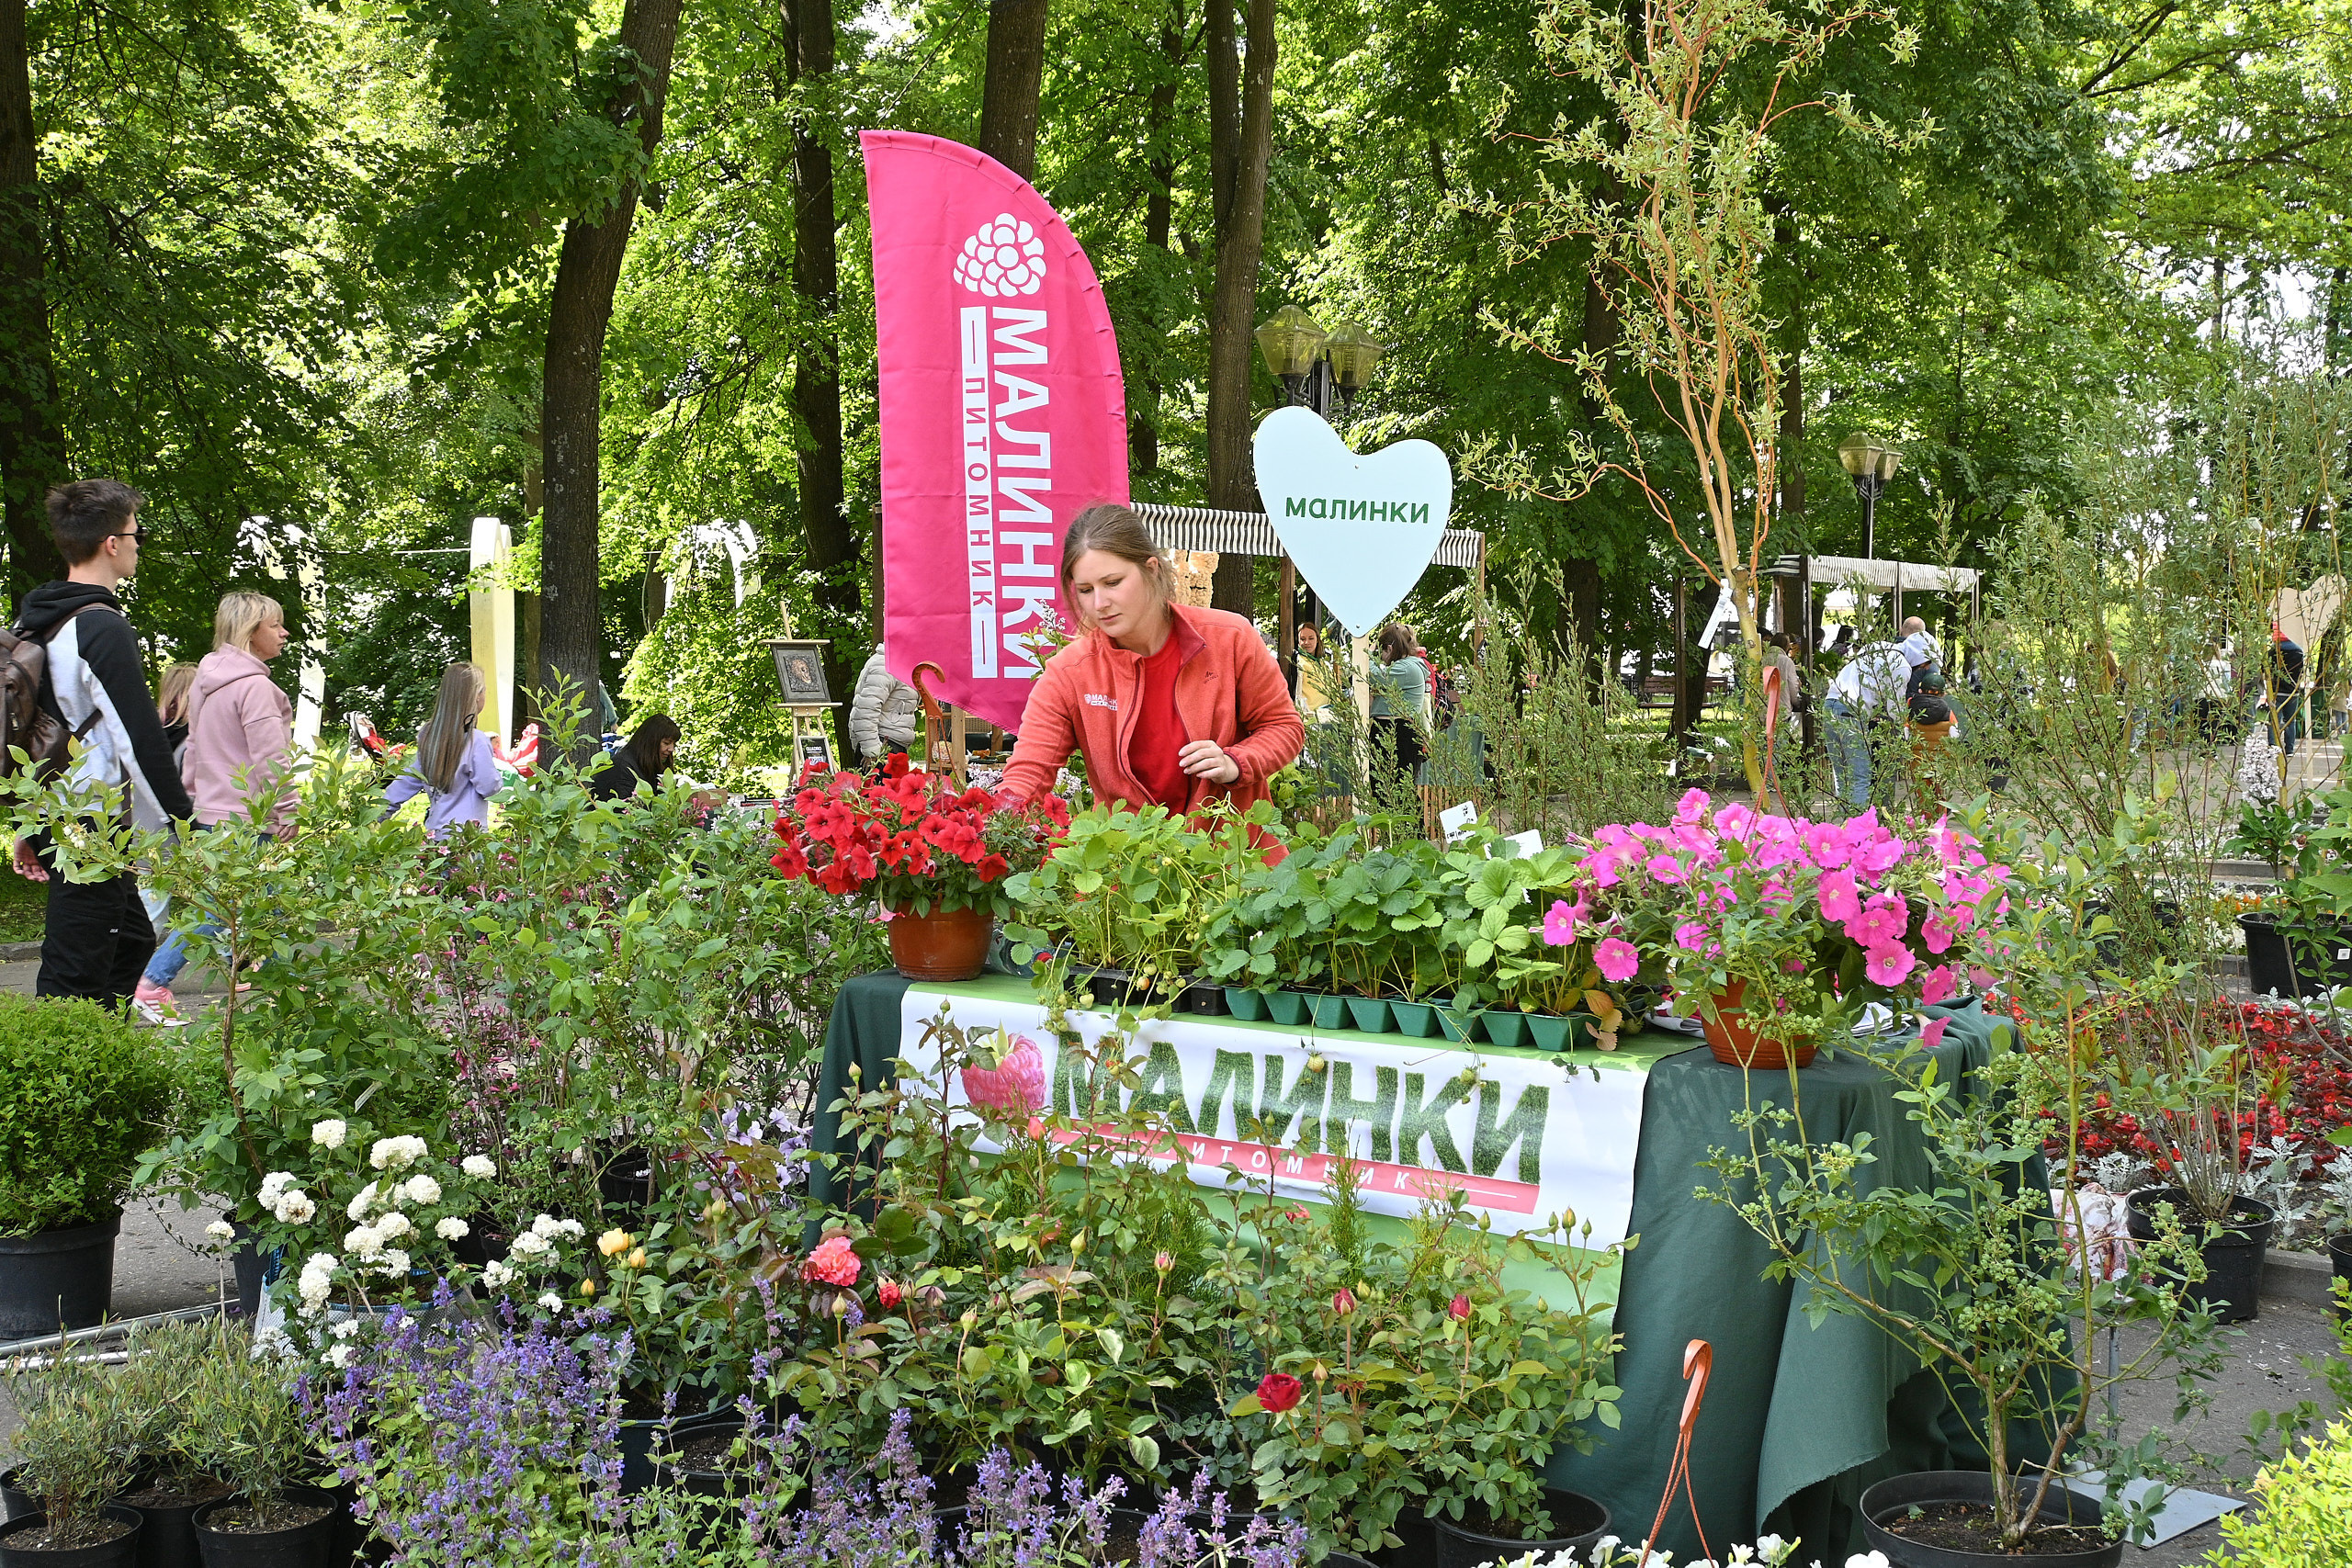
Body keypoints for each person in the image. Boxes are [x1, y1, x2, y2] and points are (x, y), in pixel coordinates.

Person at [9, 479, 195, 1009]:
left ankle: (106, 1052)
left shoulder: (35, 619)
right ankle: (60, 1072)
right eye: (136, 534)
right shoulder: (99, 626)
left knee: (131, 937)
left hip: (58, 810)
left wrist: (31, 825)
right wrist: (187, 827)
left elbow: (29, 733)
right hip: (90, 820)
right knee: (75, 968)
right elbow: (138, 740)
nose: (139, 544)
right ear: (112, 543)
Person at [1001, 503, 1303, 826]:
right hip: (1130, 864)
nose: (1099, 604)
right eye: (1086, 590)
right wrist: (988, 822)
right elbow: (1028, 773)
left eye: (1113, 582)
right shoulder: (1069, 673)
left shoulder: (1230, 638)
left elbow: (1284, 727)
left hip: (1236, 861)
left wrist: (1235, 762)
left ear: (1151, 569)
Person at [134, 592, 296, 1020]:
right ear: (250, 631)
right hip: (246, 819)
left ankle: (281, 990)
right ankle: (152, 982)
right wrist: (289, 809)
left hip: (211, 816)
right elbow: (271, 758)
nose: (284, 633)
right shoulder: (257, 687)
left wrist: (191, 800)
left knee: (262, 905)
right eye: (275, 625)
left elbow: (197, 750)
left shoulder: (206, 682)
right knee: (236, 910)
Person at [384, 663, 503, 833]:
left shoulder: (429, 736)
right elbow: (490, 787)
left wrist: (378, 814)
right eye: (484, 690)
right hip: (467, 836)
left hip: (435, 831)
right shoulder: (476, 740)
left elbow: (407, 780)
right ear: (476, 696)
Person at [1824, 636, 1907, 809]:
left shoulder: (1863, 659)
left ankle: (1844, 826)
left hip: (1829, 705)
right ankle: (1857, 830)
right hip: (1851, 711)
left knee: (1842, 777)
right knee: (1860, 777)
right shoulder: (1898, 662)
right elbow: (1895, 709)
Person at [1369, 622, 1430, 797]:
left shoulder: (1407, 668)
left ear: (1389, 648)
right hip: (1394, 730)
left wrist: (1367, 654)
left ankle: (1410, 826)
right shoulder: (1407, 665)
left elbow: (1372, 675)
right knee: (1387, 790)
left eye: (1382, 652)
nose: (1381, 657)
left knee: (1399, 792)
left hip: (1398, 732)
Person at [847, 650, 921, 764]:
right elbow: (866, 709)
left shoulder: (901, 663)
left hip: (891, 743)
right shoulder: (885, 664)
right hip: (882, 745)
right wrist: (872, 751)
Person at [591, 714, 681, 799]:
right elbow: (626, 811)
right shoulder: (622, 767)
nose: (671, 749)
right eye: (666, 743)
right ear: (651, 741)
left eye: (673, 744)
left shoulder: (650, 764)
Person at [1292, 621, 1334, 717]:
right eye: (1302, 639)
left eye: (1311, 638)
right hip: (1307, 717)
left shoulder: (1325, 664)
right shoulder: (1297, 661)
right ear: (1298, 641)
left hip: (1326, 716)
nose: (1307, 642)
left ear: (1318, 639)